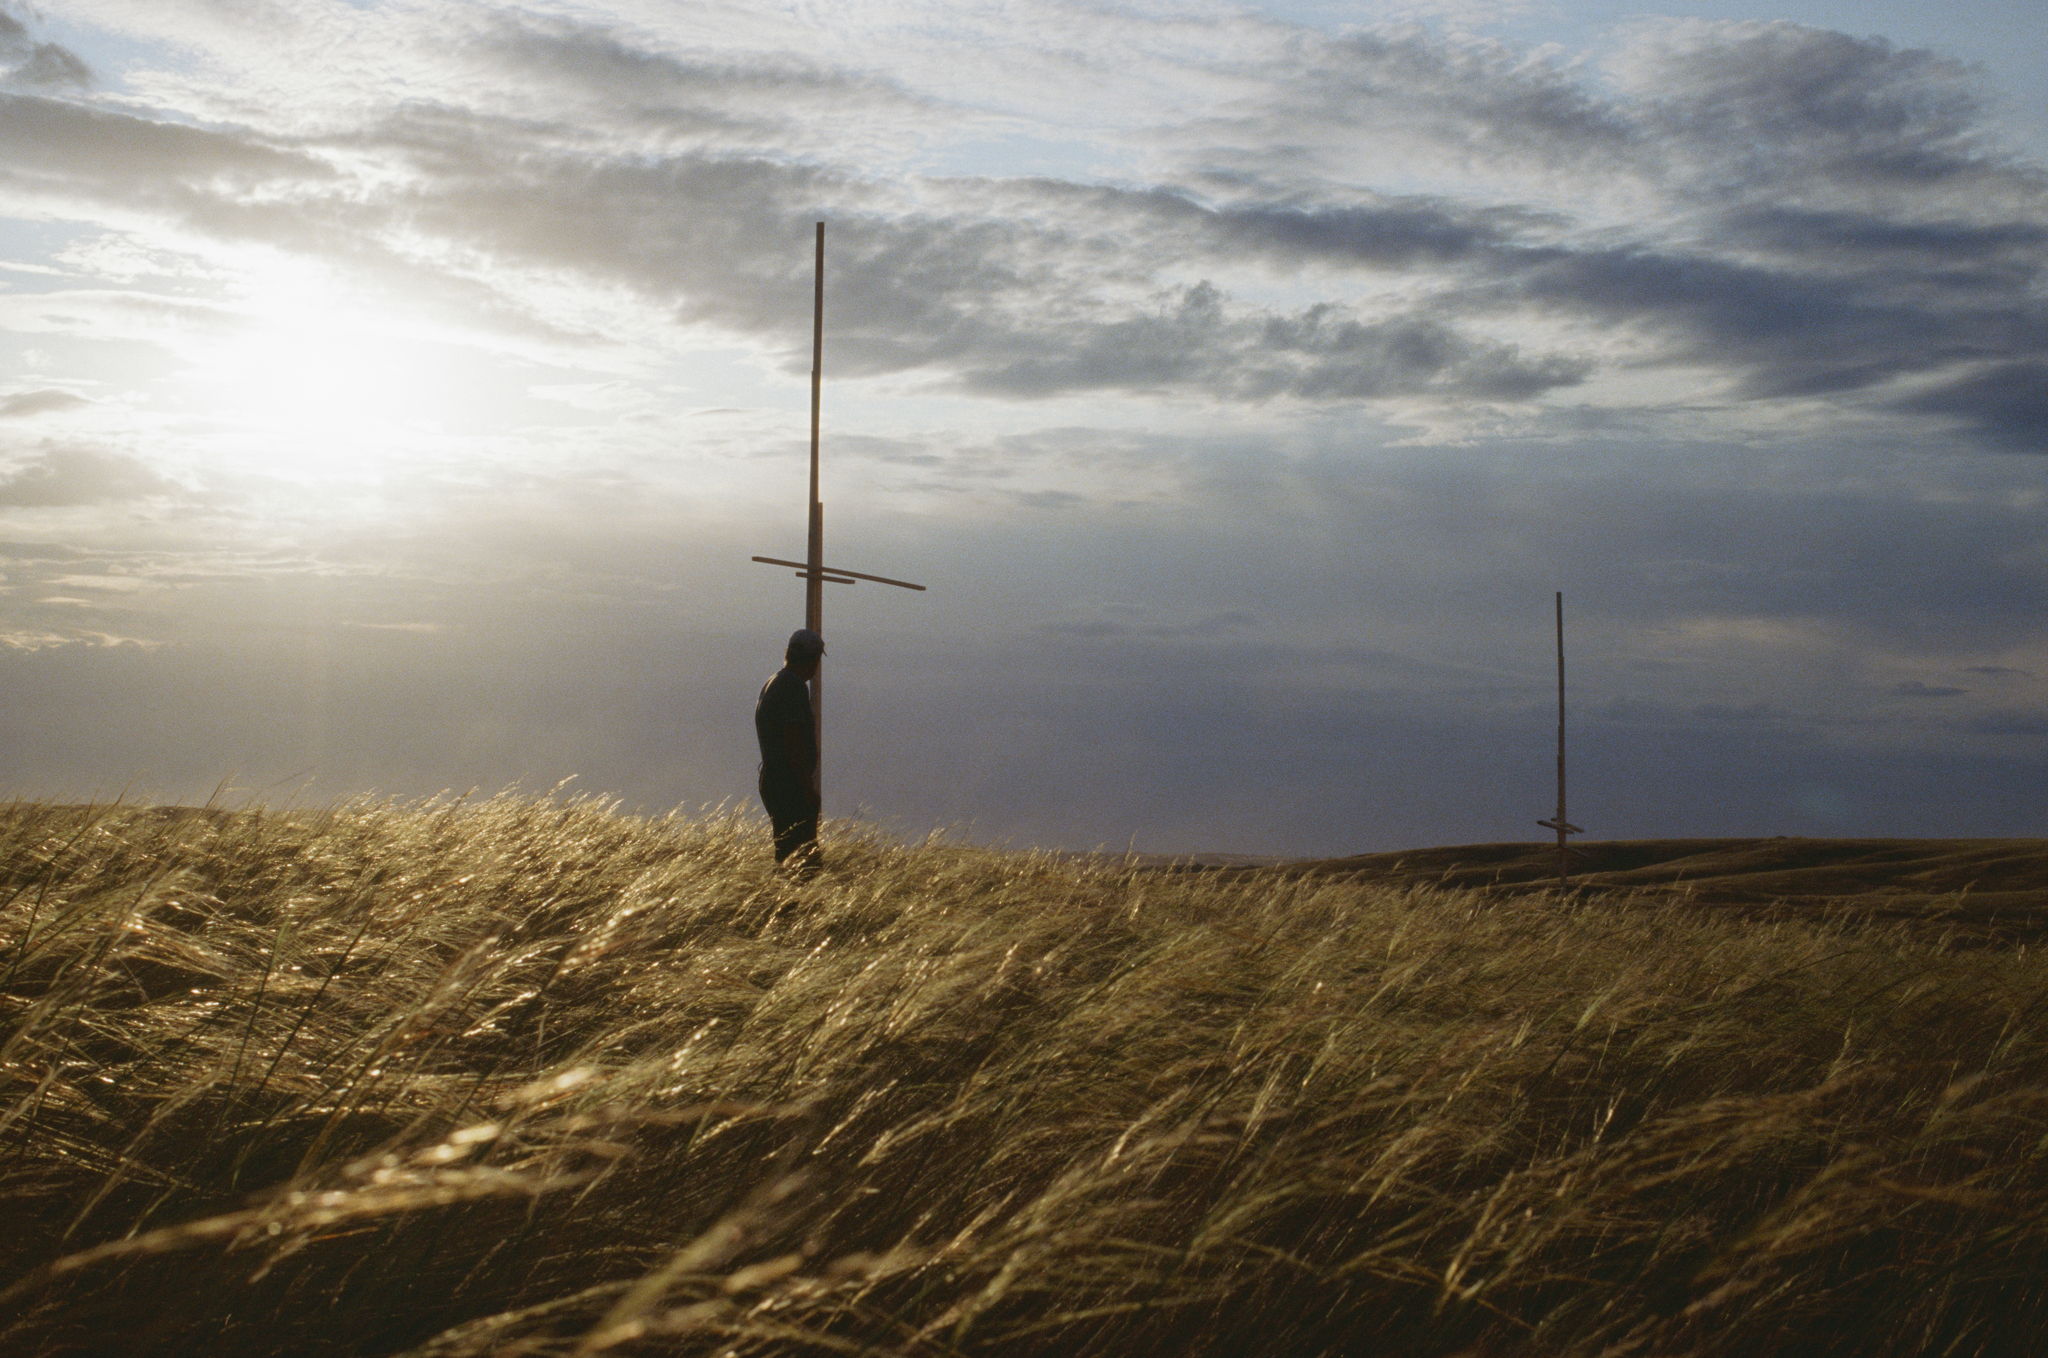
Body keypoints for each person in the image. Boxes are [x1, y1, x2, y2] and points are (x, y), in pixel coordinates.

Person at [755, 628, 823, 873]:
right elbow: (793, 740)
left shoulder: (773, 682)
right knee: (803, 861)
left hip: (774, 780)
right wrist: (807, 788)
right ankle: (795, 907)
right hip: (789, 784)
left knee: (786, 854)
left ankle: (785, 902)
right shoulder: (793, 688)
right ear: (813, 659)